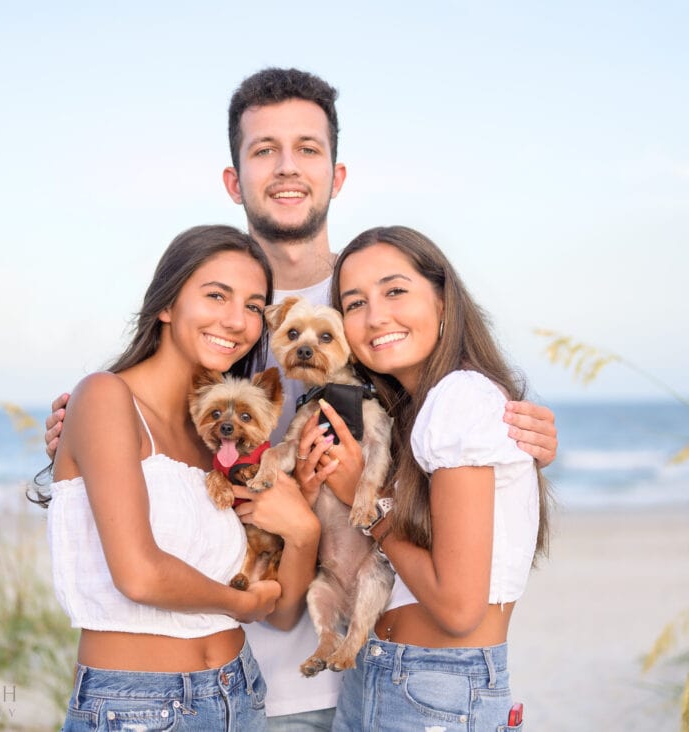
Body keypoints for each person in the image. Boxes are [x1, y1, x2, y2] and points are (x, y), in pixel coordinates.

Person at [44, 68, 560, 731]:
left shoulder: (378, 306)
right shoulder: (217, 317)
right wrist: (81, 435)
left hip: (367, 670)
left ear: (336, 175)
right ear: (235, 180)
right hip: (240, 677)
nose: (287, 168)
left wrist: (522, 437)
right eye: (264, 150)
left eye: (308, 148)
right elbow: (147, 449)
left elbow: (454, 437)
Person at [32, 225, 323, 731]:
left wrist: (304, 532)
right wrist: (240, 602)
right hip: (138, 706)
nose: (237, 321)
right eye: (216, 295)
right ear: (166, 305)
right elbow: (139, 574)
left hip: (243, 693)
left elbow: (280, 612)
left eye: (254, 306)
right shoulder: (104, 398)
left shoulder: (219, 440)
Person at [321, 225, 549, 731]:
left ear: (443, 300)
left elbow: (458, 609)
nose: (375, 316)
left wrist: (366, 500)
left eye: (395, 291)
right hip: (383, 677)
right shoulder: (414, 410)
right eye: (354, 303)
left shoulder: (460, 397)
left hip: (434, 691)